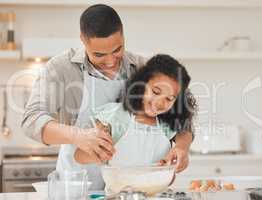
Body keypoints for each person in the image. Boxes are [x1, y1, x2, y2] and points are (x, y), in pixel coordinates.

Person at [22, 4, 194, 189]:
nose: (110, 61)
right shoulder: (61, 68)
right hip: (77, 184)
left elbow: (183, 113)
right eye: (99, 54)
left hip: (128, 189)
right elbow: (32, 120)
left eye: (117, 50)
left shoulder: (144, 68)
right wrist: (78, 136)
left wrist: (182, 147)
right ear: (83, 40)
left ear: (123, 35)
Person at [74, 54, 197, 169]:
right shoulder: (117, 115)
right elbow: (79, 156)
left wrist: (181, 149)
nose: (160, 103)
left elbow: (185, 132)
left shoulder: (166, 125)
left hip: (159, 191)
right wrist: (99, 151)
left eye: (169, 99)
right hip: (120, 192)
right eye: (155, 92)